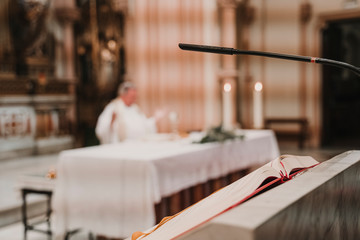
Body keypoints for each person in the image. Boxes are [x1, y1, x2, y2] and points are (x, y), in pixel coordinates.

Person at [95, 82, 162, 144]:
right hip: (121, 146)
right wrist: (111, 122)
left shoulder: (135, 109)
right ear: (123, 95)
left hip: (137, 145)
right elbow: (101, 130)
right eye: (132, 97)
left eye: (135, 97)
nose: (134, 100)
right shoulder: (113, 108)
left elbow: (145, 125)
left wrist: (155, 119)